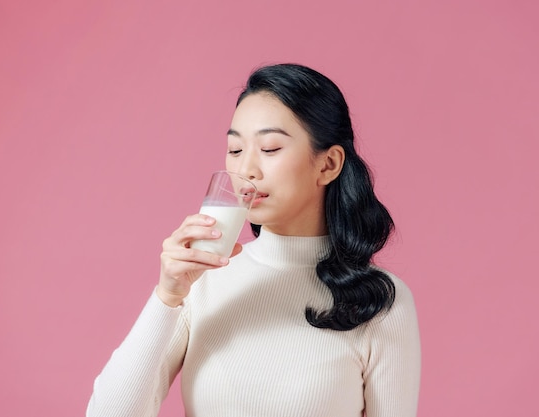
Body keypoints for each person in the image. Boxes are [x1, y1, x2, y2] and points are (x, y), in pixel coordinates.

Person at [86, 63, 421, 417]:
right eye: (234, 150)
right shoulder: (202, 281)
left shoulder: (380, 301)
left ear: (328, 164)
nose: (246, 170)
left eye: (270, 148)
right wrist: (168, 296)